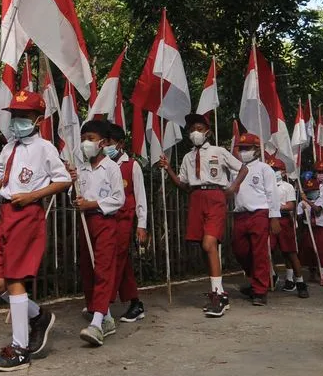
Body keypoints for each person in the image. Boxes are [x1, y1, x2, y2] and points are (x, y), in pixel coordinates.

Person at [0, 90, 73, 371]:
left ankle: (19, 348)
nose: (16, 121)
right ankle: (38, 316)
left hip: (27, 215)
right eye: (14, 115)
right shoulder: (9, 147)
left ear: (38, 120)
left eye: (23, 116)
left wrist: (33, 196)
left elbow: (63, 180)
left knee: (15, 280)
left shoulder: (45, 149)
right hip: (6, 214)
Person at [158, 114, 247, 318]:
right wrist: (168, 169)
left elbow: (242, 168)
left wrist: (233, 187)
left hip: (215, 195)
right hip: (196, 197)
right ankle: (216, 290)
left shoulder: (219, 151)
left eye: (199, 128)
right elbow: (183, 183)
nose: (195, 133)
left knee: (209, 243)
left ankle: (219, 294)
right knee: (204, 246)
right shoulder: (188, 157)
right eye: (191, 130)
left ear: (208, 131)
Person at [70, 119, 126, 345]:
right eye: (83, 139)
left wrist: (92, 204)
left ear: (102, 142)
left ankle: (96, 324)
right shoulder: (81, 169)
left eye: (91, 139)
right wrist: (74, 191)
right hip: (85, 223)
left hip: (104, 222)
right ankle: (104, 315)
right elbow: (76, 198)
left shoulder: (112, 168)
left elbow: (118, 199)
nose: (86, 143)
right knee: (87, 267)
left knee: (103, 268)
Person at [228, 134, 280, 306]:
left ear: (257, 150)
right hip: (240, 214)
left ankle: (259, 291)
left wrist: (274, 217)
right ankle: (259, 276)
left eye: (247, 148)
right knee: (240, 250)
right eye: (241, 148)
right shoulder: (235, 169)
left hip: (259, 212)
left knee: (259, 252)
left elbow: (272, 193)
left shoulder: (265, 169)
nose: (243, 152)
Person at [107, 125, 149, 323]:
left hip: (124, 220)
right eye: (104, 143)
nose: (106, 146)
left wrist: (142, 225)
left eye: (109, 143)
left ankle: (103, 304)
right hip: (106, 219)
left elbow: (140, 196)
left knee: (114, 260)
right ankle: (135, 303)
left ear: (121, 144)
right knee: (122, 264)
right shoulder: (103, 165)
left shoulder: (132, 165)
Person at [266, 154, 308, 298]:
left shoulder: (287, 186)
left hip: (284, 221)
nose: (273, 171)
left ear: (283, 172)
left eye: (276, 169)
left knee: (290, 253)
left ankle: (300, 283)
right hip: (269, 219)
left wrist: (275, 206)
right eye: (271, 168)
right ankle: (272, 275)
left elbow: (290, 205)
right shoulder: (265, 186)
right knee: (266, 251)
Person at [296, 171, 323, 286]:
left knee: (322, 251)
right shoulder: (302, 203)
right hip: (308, 229)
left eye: (313, 191)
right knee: (309, 250)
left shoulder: (321, 200)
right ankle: (312, 272)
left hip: (320, 229)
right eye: (309, 191)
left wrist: (307, 201)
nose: (311, 193)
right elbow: (299, 216)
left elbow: (317, 210)